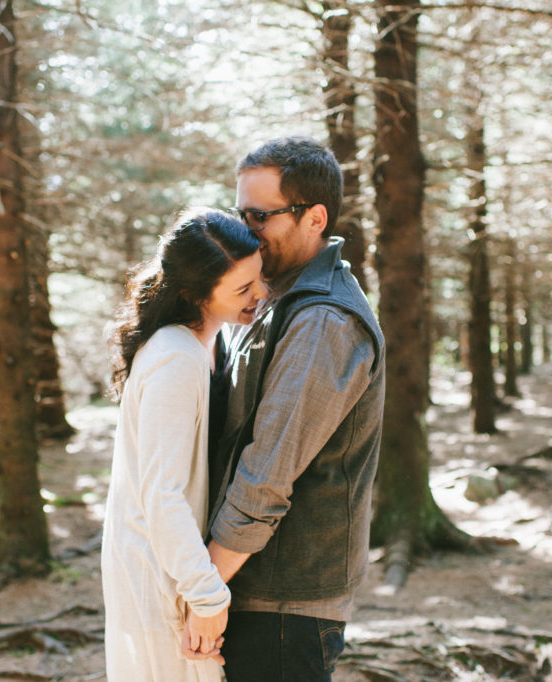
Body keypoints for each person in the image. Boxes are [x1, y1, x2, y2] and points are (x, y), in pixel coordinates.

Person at [202, 136, 386, 681]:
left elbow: (266, 477)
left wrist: (204, 587)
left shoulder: (323, 320)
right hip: (255, 587)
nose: (245, 230)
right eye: (240, 213)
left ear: (314, 217)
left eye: (260, 216)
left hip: (283, 604)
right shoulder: (273, 297)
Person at [101, 208, 268, 682]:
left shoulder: (202, 345)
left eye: (257, 278)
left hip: (172, 567)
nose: (259, 295)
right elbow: (162, 494)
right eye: (242, 289)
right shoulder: (176, 358)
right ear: (196, 294)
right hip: (160, 576)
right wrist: (207, 596)